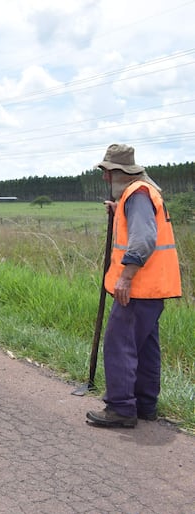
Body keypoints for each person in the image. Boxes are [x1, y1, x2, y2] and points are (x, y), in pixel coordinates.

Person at [86, 144, 182, 428]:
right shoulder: (141, 193)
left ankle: (121, 408)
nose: (105, 178)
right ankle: (145, 405)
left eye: (108, 172)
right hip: (154, 288)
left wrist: (126, 277)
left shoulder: (137, 194)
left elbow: (143, 239)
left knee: (120, 345)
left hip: (138, 287)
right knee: (145, 347)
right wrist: (118, 211)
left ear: (120, 173)